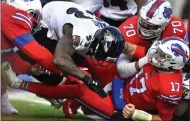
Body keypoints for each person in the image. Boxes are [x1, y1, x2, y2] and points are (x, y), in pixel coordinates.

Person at [2, 36, 189, 121]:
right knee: (87, 67)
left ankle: (20, 83)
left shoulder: (171, 88)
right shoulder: (157, 58)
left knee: (81, 88)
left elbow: (164, 118)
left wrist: (136, 115)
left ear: (172, 64)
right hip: (118, 85)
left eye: (162, 56)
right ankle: (69, 102)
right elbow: (129, 49)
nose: (155, 54)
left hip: (121, 109)